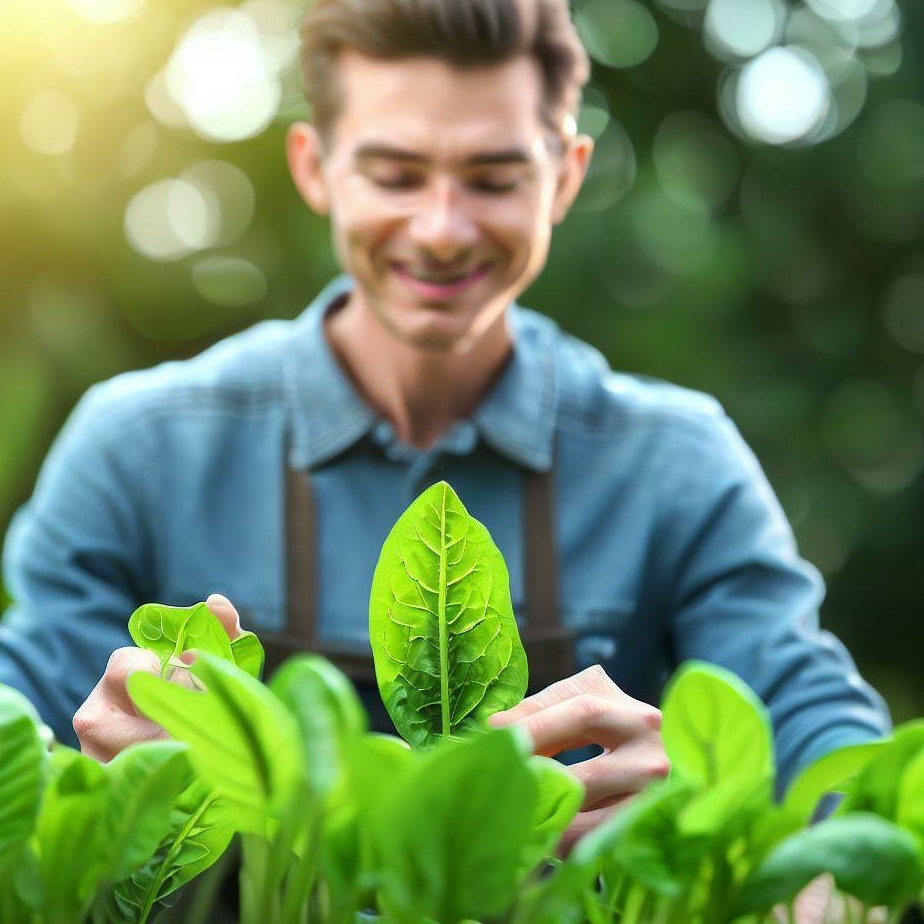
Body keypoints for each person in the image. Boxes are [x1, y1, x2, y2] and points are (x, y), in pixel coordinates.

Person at [0, 0, 888, 856]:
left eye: (495, 179)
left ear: (567, 176)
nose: (440, 229)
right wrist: (88, 764)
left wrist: (756, 820)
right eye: (394, 175)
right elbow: (18, 712)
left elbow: (816, 729)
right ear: (314, 168)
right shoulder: (136, 447)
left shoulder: (677, 463)